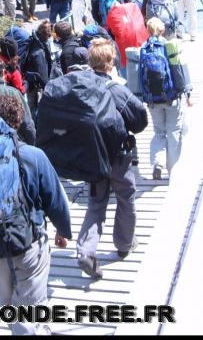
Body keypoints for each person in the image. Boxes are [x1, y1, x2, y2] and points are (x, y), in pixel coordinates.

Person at [0, 94, 72, 335]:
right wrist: (63, 231)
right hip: (28, 241)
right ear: (18, 120)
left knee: (11, 302)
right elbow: (55, 199)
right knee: (31, 308)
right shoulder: (33, 155)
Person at [78, 39, 148, 276]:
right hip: (118, 156)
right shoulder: (117, 89)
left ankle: (86, 251)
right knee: (126, 198)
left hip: (92, 158)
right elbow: (139, 120)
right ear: (110, 62)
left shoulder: (80, 87)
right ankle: (124, 244)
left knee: (96, 204)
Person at [142, 18, 190, 179]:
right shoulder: (169, 46)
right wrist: (187, 94)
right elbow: (179, 72)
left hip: (152, 100)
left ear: (147, 30)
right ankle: (173, 169)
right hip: (171, 97)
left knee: (158, 131)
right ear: (162, 30)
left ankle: (157, 162)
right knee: (174, 131)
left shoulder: (142, 48)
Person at [106, 0, 149, 78]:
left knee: (128, 76)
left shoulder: (112, 14)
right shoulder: (133, 7)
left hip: (125, 52)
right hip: (143, 43)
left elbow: (110, 34)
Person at [22, 20, 53, 117]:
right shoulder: (39, 52)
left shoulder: (34, 41)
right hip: (36, 86)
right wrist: (48, 89)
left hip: (31, 81)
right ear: (46, 35)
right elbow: (42, 74)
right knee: (36, 109)